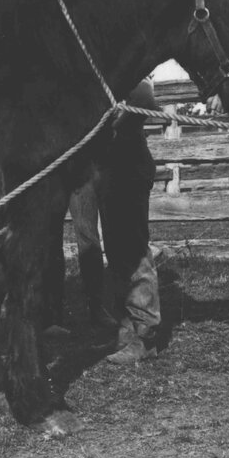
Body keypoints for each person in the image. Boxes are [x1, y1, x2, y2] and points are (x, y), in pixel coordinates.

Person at [43, 78, 162, 364]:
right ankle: (126, 331)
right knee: (119, 254)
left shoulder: (132, 72)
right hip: (109, 172)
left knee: (133, 252)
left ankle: (145, 336)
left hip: (129, 169)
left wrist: (111, 121)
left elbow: (145, 94)